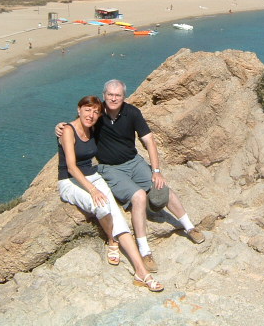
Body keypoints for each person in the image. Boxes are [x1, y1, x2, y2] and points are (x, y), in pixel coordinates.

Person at [56, 79, 204, 273]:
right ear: (104, 95)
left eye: (118, 95)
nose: (113, 98)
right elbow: (80, 123)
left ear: (124, 97)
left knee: (161, 188)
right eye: (110, 94)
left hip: (134, 162)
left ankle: (189, 226)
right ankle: (145, 250)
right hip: (110, 168)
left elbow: (149, 141)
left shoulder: (132, 112)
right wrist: (60, 127)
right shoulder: (98, 114)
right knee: (139, 197)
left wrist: (156, 171)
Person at [58, 95, 163, 292]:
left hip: (93, 176)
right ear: (79, 109)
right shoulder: (67, 130)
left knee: (119, 220)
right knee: (101, 206)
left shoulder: (92, 128)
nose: (91, 115)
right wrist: (93, 190)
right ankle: (112, 239)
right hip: (70, 181)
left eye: (96, 112)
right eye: (87, 110)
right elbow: (71, 167)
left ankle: (141, 272)